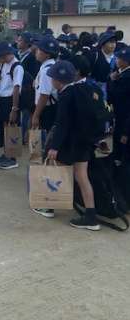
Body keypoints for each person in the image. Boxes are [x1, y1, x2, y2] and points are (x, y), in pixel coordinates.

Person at [44, 61, 101, 231]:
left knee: (55, 171)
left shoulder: (66, 95)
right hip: (84, 141)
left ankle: (49, 207)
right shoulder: (84, 89)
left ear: (58, 80)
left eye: (52, 78)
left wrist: (54, 147)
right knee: (82, 177)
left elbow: (62, 123)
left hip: (70, 142)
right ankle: (91, 216)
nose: (51, 81)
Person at [0, 42, 24, 170]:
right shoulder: (4, 65)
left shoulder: (17, 67)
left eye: (1, 56)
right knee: (6, 127)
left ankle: (13, 158)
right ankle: (6, 154)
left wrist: (14, 108)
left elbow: (16, 88)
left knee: (12, 127)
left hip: (12, 100)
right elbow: (3, 83)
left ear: (7, 54)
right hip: (4, 99)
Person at [31, 36, 60, 134]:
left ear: (47, 54)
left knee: (45, 137)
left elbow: (44, 95)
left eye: (39, 50)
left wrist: (36, 116)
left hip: (47, 109)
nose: (36, 51)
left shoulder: (46, 71)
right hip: (49, 107)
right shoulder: (49, 66)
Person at [109, 47, 130, 163]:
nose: (117, 60)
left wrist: (113, 81)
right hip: (119, 112)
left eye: (120, 58)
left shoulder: (126, 77)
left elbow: (116, 93)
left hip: (124, 114)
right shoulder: (120, 73)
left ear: (126, 61)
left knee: (122, 138)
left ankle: (119, 160)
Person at [89, 31, 117, 99]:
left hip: (112, 93)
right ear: (103, 44)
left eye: (114, 42)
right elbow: (87, 75)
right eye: (110, 42)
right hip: (96, 91)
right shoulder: (94, 56)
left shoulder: (117, 58)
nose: (113, 45)